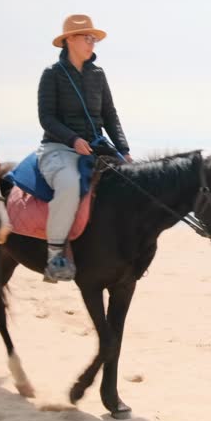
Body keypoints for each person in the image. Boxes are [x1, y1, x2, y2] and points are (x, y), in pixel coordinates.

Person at [37, 14, 132, 282]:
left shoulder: (98, 75)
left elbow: (110, 115)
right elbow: (47, 118)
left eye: (94, 39)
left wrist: (123, 150)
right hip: (59, 147)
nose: (92, 43)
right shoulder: (52, 75)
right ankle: (55, 255)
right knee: (68, 183)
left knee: (134, 183)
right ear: (69, 40)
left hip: (96, 147)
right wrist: (72, 140)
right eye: (86, 37)